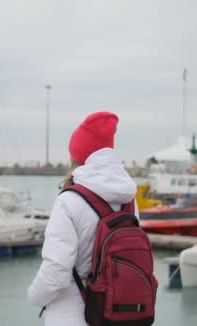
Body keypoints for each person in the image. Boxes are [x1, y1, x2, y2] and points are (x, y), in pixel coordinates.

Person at [27, 111, 137, 325]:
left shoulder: (68, 202)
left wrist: (33, 296)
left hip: (71, 316)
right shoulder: (129, 199)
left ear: (77, 156)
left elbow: (56, 273)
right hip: (119, 313)